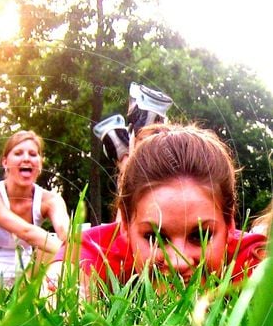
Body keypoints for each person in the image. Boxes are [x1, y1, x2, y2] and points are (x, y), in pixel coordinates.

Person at [47, 123, 267, 297]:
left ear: (229, 225)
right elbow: (59, 296)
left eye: (201, 236)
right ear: (124, 226)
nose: (178, 263)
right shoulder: (98, 249)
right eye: (154, 237)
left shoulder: (251, 257)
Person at [0, 130, 70, 286]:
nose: (26, 158)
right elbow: (27, 232)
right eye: (18, 153)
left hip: (23, 282)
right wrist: (72, 253)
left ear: (40, 163)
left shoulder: (50, 200)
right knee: (52, 244)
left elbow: (66, 232)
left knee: (51, 247)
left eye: (33, 154)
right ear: (5, 162)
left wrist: (78, 248)